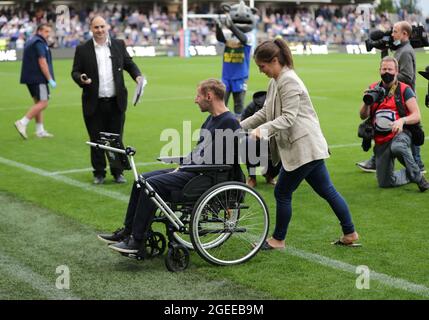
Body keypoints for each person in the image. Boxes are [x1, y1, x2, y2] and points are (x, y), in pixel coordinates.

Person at [97, 79, 241, 254]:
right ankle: (128, 232)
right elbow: (200, 152)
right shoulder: (211, 120)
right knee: (140, 180)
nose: (196, 100)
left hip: (206, 176)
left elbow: (218, 160)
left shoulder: (229, 122)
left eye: (198, 96)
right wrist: (181, 161)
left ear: (209, 96)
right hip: (195, 169)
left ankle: (137, 240)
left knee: (151, 185)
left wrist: (184, 166)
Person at [241, 38, 359, 250]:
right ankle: (350, 232)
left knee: (282, 192)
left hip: (304, 146)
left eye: (262, 66)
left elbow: (288, 117)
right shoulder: (275, 81)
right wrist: (239, 125)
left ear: (275, 60)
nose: (261, 71)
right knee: (327, 191)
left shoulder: (289, 81)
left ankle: (278, 240)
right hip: (306, 146)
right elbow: (265, 112)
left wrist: (262, 130)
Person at [71, 16, 143, 185]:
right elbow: (75, 71)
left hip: (116, 102)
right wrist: (81, 78)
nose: (100, 30)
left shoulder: (118, 45)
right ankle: (99, 173)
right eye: (96, 27)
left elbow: (129, 63)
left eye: (102, 26)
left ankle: (117, 172)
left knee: (116, 139)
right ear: (91, 28)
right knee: (95, 139)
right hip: (93, 102)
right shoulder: (83, 49)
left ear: (108, 27)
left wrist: (138, 76)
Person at [357, 21, 425, 173]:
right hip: (395, 95)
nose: (392, 34)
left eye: (395, 31)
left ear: (404, 34)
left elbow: (407, 77)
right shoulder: (401, 49)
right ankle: (380, 160)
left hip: (403, 96)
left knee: (409, 128)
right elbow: (390, 67)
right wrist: (384, 53)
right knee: (384, 124)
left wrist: (388, 76)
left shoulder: (406, 51)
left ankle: (417, 165)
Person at [359, 56, 429, 192]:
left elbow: (416, 115)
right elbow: (363, 115)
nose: (387, 72)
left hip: (401, 134)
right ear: (379, 70)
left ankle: (419, 179)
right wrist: (366, 103)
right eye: (384, 69)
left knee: (398, 147)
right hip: (381, 139)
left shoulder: (404, 89)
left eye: (390, 69)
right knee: (385, 183)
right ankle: (411, 173)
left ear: (396, 71)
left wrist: (402, 121)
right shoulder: (373, 88)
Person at [14, 23, 56, 139]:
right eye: (46, 31)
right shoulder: (39, 42)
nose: (48, 34)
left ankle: (40, 130)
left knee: (38, 103)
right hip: (39, 78)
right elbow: (42, 62)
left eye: (49, 31)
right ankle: (22, 122)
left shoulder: (31, 41)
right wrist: (50, 79)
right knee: (43, 103)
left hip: (30, 78)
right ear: (40, 31)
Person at [215, 1, 257, 116]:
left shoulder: (249, 36)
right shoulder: (229, 36)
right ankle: (222, 126)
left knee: (239, 105)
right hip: (226, 77)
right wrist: (218, 27)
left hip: (240, 77)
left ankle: (238, 128)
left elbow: (243, 39)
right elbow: (220, 38)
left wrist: (231, 26)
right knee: (221, 103)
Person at [241, 91, 281, 187]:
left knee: (285, 146)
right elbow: (243, 127)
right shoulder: (252, 106)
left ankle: (270, 175)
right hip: (256, 142)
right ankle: (252, 178)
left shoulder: (282, 107)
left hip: (275, 140)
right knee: (247, 143)